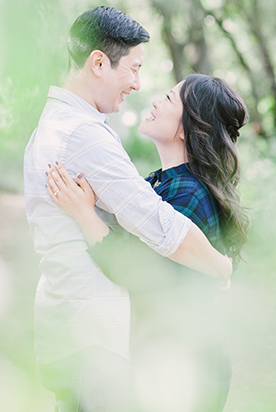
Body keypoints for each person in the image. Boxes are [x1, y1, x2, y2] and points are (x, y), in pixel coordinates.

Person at [24, 7, 232, 412]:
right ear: (98, 63)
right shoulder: (83, 134)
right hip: (91, 338)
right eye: (133, 68)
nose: (138, 84)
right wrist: (222, 267)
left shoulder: (55, 124)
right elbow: (159, 227)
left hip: (71, 327)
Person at [46, 74, 250, 411]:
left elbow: (140, 273)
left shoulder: (190, 193)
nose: (155, 101)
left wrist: (85, 216)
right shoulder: (159, 184)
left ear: (186, 128)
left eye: (169, 99)